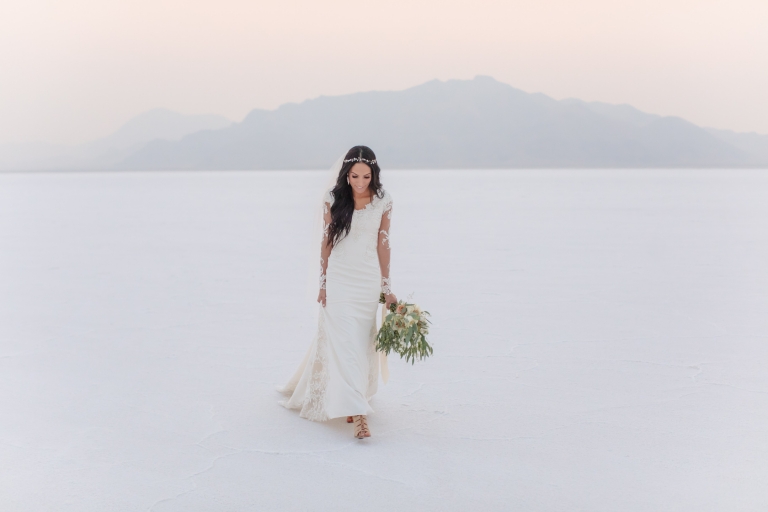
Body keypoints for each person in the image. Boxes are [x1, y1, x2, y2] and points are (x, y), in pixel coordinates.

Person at [279, 146, 396, 439]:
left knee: (359, 342)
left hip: (367, 281)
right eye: (354, 176)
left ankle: (352, 397)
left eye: (366, 176)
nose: (359, 182)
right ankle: (358, 414)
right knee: (343, 343)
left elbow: (384, 244)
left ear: (374, 174)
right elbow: (326, 242)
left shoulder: (384, 200)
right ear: (346, 174)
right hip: (340, 279)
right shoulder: (333, 198)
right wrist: (323, 283)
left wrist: (386, 288)